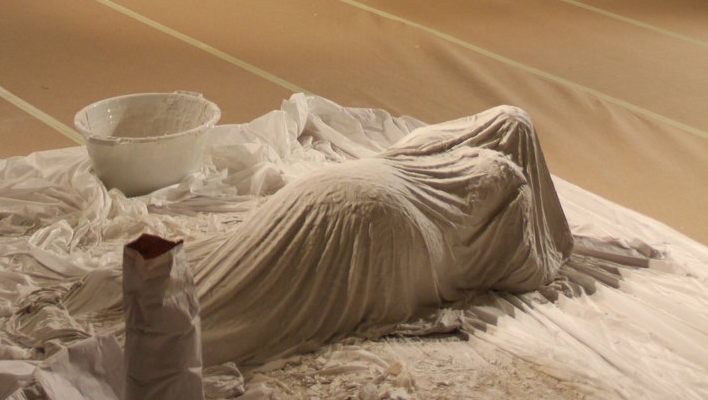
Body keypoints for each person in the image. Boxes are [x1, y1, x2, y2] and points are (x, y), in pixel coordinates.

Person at [187, 104, 572, 368]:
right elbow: (528, 270)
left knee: (244, 270)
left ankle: (175, 323)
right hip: (388, 229)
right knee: (268, 299)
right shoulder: (507, 187)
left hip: (334, 189)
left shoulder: (427, 147)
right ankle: (183, 333)